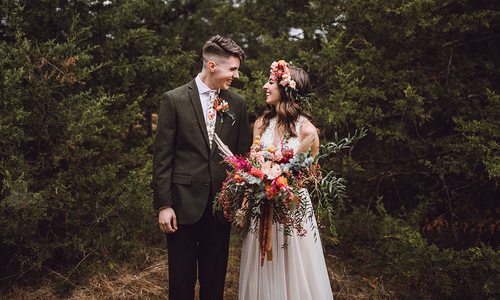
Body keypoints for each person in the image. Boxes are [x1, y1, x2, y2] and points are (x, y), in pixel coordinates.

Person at [152, 35, 251, 300]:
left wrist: (239, 201)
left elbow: (242, 157)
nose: (236, 75)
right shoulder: (173, 100)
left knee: (214, 281)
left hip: (221, 207)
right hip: (182, 206)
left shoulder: (238, 104)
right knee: (181, 282)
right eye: (232, 69)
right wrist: (164, 205)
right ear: (211, 66)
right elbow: (163, 157)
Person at [238, 60, 334, 299]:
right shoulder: (261, 124)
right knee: (262, 271)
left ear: (286, 89)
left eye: (270, 82)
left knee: (292, 270)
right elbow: (252, 168)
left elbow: (313, 175)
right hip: (261, 208)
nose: (264, 86)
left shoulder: (308, 132)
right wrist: (245, 204)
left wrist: (284, 184)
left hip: (292, 211)